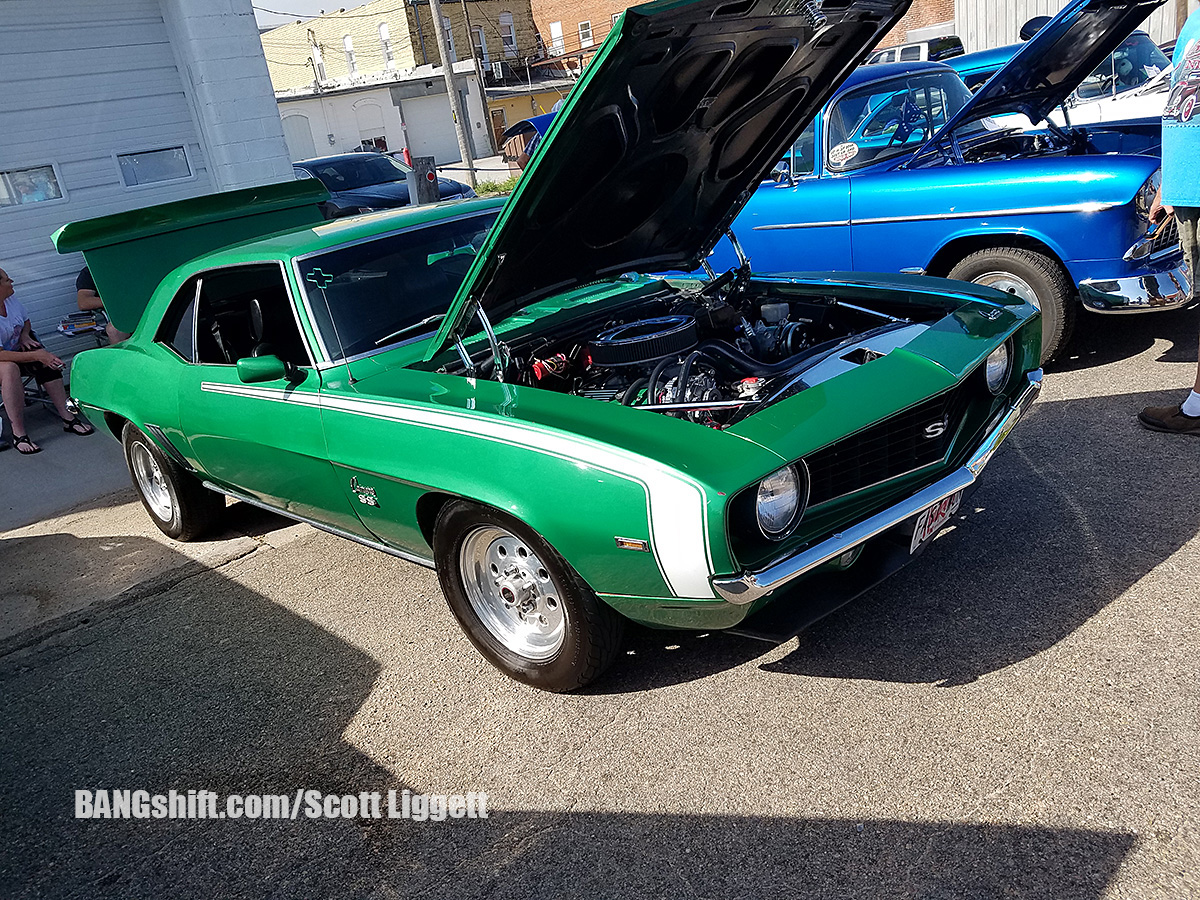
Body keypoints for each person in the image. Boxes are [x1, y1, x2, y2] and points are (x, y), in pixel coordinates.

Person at [1138, 10, 1200, 437]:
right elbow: (1181, 103)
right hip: (1191, 187)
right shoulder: (1194, 20)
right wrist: (1170, 183)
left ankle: (1197, 410)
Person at [0, 267, 95, 454]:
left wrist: (24, 336)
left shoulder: (9, 300)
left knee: (41, 354)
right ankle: (19, 434)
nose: (12, 281)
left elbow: (25, 321)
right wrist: (36, 355)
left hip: (14, 351)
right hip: (3, 359)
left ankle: (67, 417)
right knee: (10, 368)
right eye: (6, 280)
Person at [76, 266, 130, 344]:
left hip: (148, 308)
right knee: (113, 330)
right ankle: (123, 355)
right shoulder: (90, 272)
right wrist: (116, 302)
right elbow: (83, 303)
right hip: (121, 314)